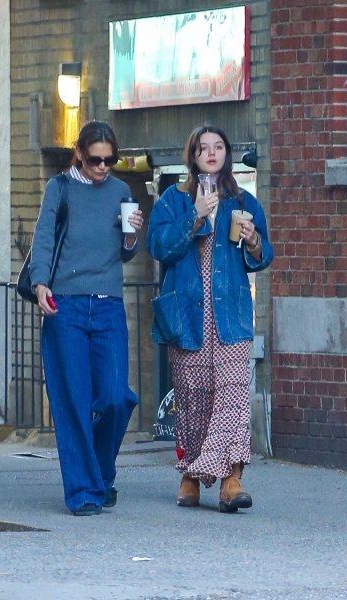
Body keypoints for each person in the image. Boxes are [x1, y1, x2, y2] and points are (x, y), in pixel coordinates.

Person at [146, 125, 274, 513]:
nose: (212, 153)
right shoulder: (173, 200)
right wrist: (195, 217)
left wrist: (253, 241)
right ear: (193, 156)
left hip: (231, 315)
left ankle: (231, 480)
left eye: (218, 146)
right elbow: (158, 247)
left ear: (227, 154)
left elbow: (263, 256)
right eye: (204, 148)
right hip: (187, 316)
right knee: (193, 399)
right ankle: (190, 474)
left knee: (233, 396)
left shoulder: (243, 201)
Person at [29, 120, 143, 516]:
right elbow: (44, 237)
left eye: (110, 160)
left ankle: (97, 472)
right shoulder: (59, 188)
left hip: (108, 304)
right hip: (66, 305)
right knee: (73, 400)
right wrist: (40, 284)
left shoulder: (120, 191)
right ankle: (84, 492)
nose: (103, 167)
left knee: (116, 397)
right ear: (79, 153)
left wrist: (132, 236)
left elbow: (126, 253)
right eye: (96, 160)